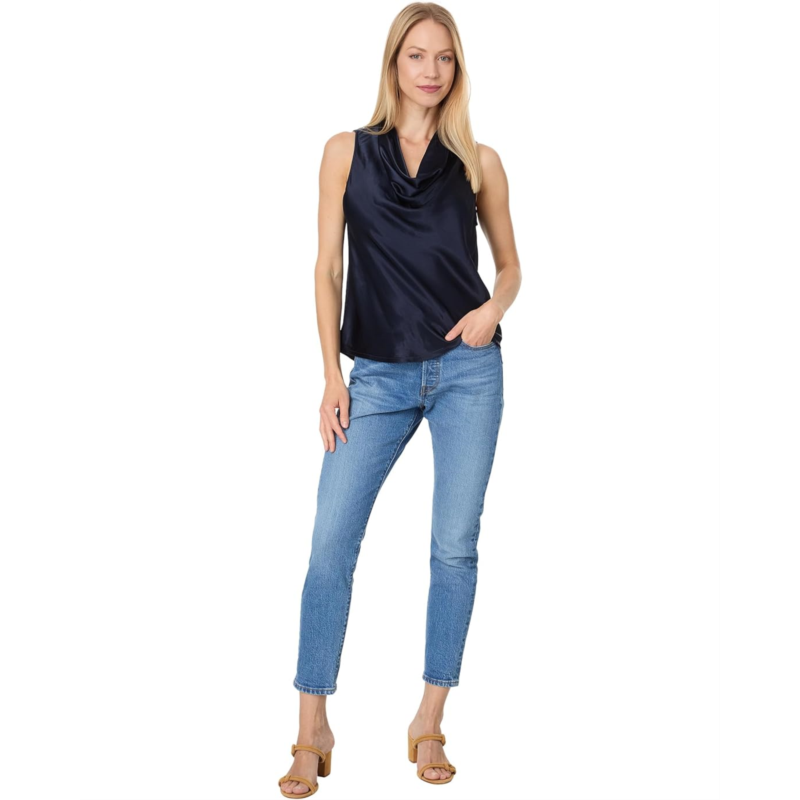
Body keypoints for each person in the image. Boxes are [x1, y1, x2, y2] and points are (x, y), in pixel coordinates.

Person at [278, 3, 522, 796]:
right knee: (329, 547)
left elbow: (510, 266)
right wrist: (331, 375)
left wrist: (492, 311)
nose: (430, 70)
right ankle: (312, 727)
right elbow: (327, 268)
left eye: (444, 57)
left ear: (457, 69)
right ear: (393, 64)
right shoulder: (345, 151)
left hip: (467, 372)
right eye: (416, 55)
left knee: (454, 547)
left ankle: (429, 718)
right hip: (377, 378)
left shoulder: (479, 162)